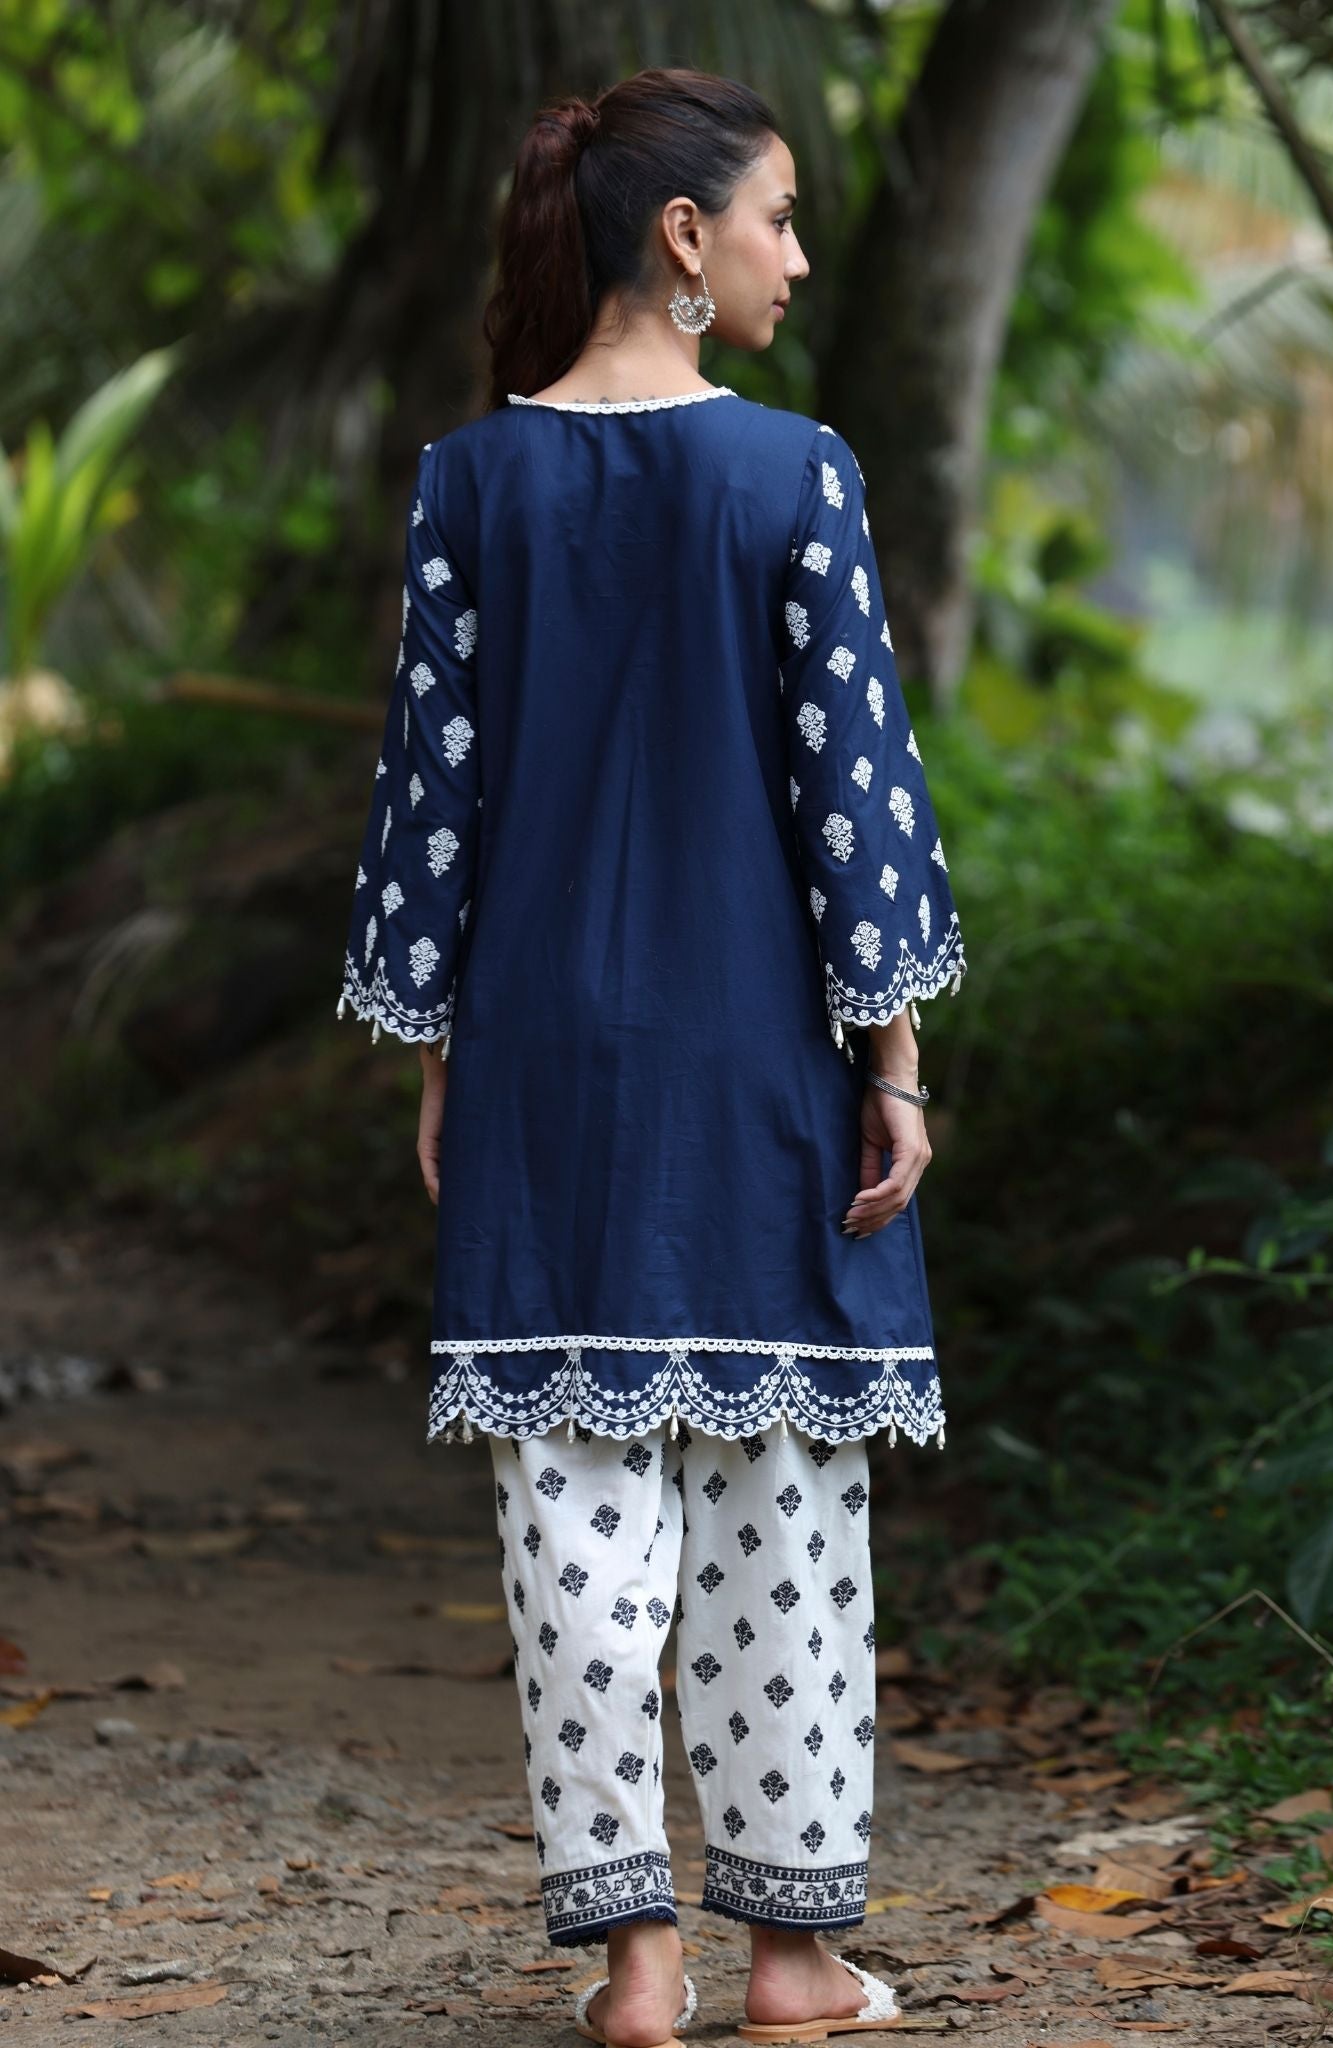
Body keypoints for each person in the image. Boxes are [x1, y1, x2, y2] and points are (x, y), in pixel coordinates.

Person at [335, 65, 968, 2048]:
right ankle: (792, 1956)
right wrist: (895, 1061)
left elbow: (429, 808)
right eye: (776, 215)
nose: (798, 256)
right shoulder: (795, 476)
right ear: (683, 237)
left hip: (541, 1056)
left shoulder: (467, 483)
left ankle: (636, 1963)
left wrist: (436, 1057)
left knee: (573, 1519)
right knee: (782, 1514)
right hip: (753, 1054)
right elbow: (857, 800)